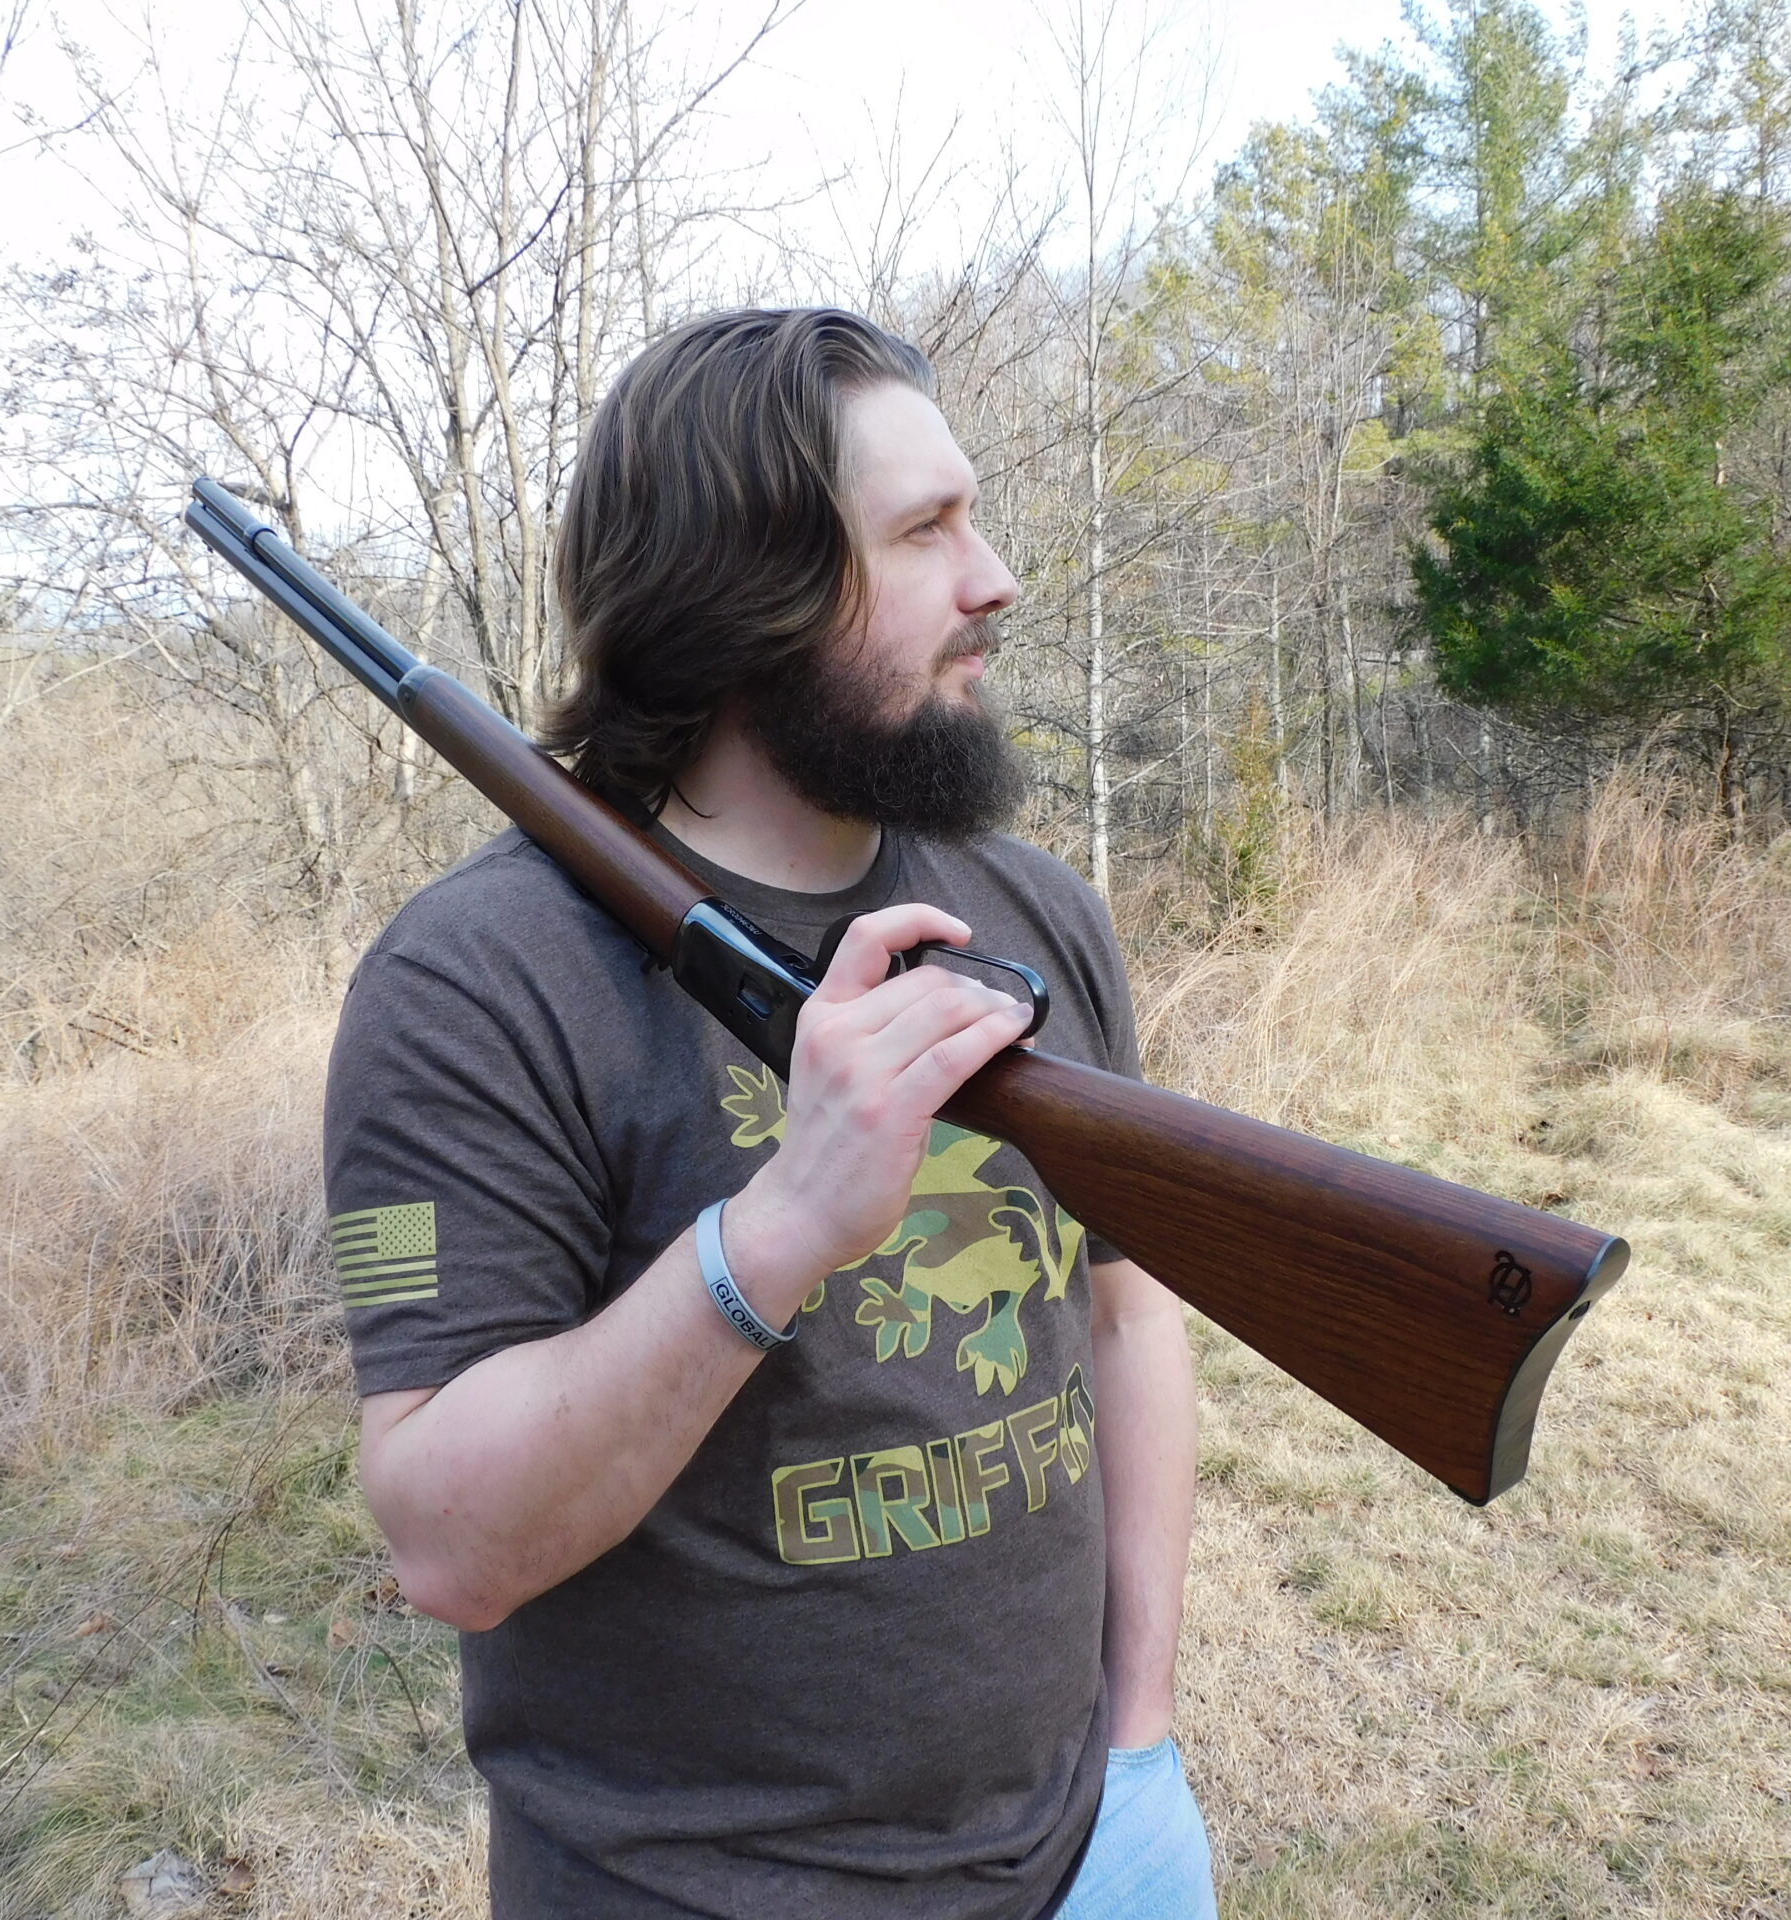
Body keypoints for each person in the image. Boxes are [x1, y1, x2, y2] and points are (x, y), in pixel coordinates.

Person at [325, 307, 1214, 1918]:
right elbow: (447, 1541)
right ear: (751, 596)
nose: (994, 575)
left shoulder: (1033, 907)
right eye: (927, 531)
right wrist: (784, 1226)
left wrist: (1140, 1748)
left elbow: (1128, 1314)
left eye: (976, 514)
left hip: (1094, 1854)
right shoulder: (477, 982)